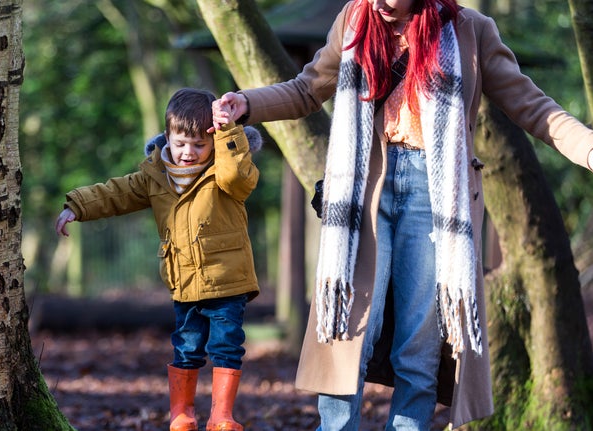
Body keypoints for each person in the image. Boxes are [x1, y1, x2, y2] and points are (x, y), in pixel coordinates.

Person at [211, 0, 593, 429]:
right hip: (363, 190)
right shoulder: (354, 21)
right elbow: (306, 89)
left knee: (419, 345)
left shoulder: (470, 29)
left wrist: (588, 147)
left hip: (437, 194)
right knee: (349, 330)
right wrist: (246, 103)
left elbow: (534, 106)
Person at [56, 87, 263, 431]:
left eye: (199, 145)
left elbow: (237, 178)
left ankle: (222, 416)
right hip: (183, 282)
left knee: (226, 346)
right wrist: (77, 205)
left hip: (228, 280)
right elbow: (116, 193)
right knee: (187, 347)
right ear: (167, 136)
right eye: (181, 143)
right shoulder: (156, 176)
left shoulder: (225, 169)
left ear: (213, 141)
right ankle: (182, 414)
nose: (188, 153)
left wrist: (229, 131)